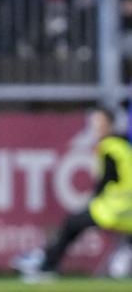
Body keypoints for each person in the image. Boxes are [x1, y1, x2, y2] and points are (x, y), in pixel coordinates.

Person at [12, 107, 132, 282]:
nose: (96, 127)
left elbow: (106, 181)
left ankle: (47, 266)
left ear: (110, 124)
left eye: (100, 123)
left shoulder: (108, 146)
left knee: (71, 223)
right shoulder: (124, 145)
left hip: (116, 209)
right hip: (127, 210)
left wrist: (93, 199)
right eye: (94, 123)